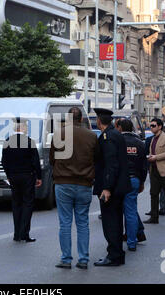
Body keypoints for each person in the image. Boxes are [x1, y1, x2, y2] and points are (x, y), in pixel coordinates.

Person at [49, 107, 99, 269]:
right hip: (84, 183)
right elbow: (96, 160)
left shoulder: (59, 134)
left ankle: (66, 259)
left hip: (63, 183)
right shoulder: (92, 136)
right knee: (83, 223)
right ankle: (83, 259)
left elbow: (52, 158)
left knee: (65, 223)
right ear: (82, 119)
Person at [93, 108, 131, 267]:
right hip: (118, 186)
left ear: (99, 121)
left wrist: (107, 188)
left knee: (111, 222)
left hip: (112, 188)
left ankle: (114, 255)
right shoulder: (115, 134)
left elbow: (111, 165)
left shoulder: (108, 137)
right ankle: (116, 254)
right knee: (115, 220)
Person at [2, 118, 42, 243]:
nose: (27, 129)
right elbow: (35, 161)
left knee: (16, 204)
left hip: (13, 176)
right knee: (27, 203)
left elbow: (4, 161)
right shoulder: (29, 141)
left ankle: (16, 234)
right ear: (23, 128)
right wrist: (39, 177)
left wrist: (8, 174)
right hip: (27, 176)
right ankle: (25, 233)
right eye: (26, 127)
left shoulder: (7, 141)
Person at [116, 119, 147, 251]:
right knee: (131, 211)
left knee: (117, 211)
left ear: (120, 128)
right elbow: (144, 166)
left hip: (119, 180)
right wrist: (142, 181)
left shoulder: (116, 141)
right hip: (134, 179)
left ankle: (118, 239)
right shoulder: (139, 143)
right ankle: (132, 242)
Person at [145, 129, 165, 217]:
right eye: (151, 126)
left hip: (164, 167)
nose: (152, 128)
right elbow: (145, 153)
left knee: (164, 190)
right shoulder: (149, 140)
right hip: (153, 167)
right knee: (154, 190)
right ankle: (154, 209)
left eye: (154, 126)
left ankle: (162, 209)